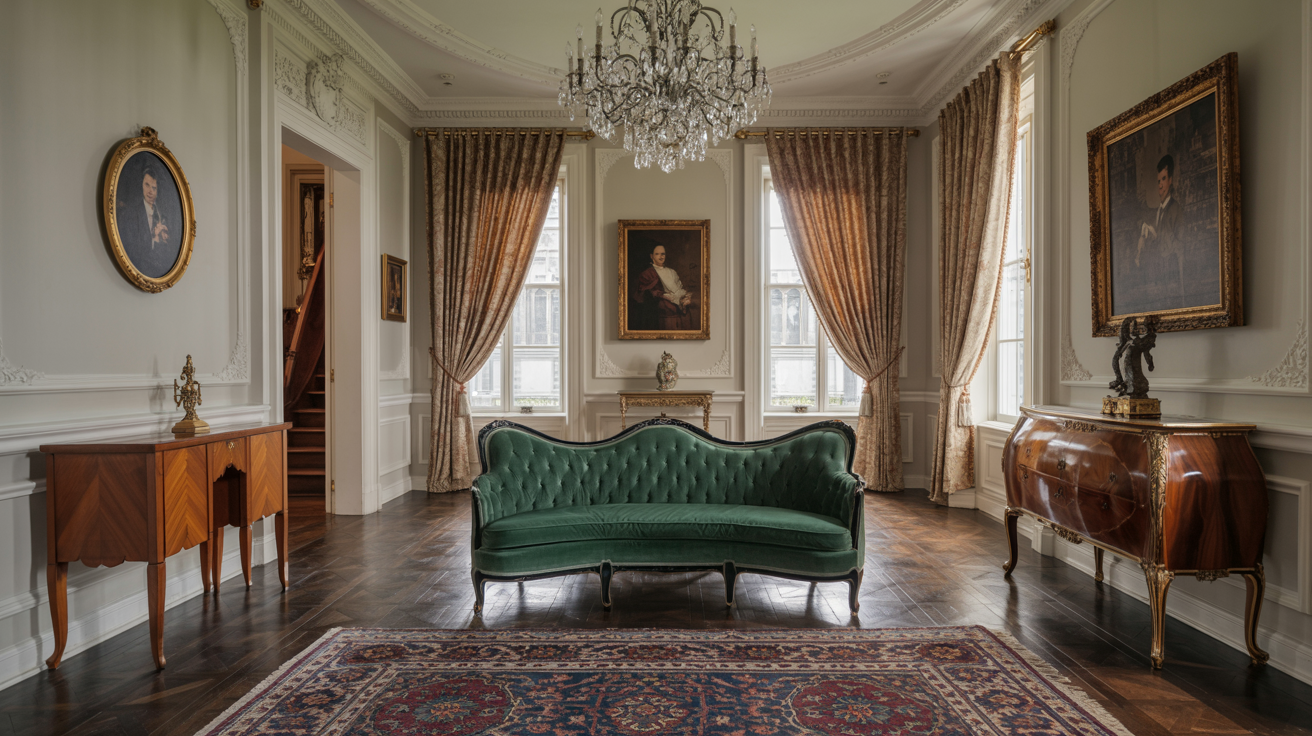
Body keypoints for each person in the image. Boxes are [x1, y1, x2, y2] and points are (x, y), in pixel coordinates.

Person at [1135, 154, 1185, 295]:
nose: (1160, 185)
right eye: (1158, 181)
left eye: (1163, 179)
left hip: (1172, 275)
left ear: (1170, 181)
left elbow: (1180, 245)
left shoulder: (1176, 209)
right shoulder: (1158, 211)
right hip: (1161, 278)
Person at [116, 161, 176, 278]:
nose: (150, 191)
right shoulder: (131, 214)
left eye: (154, 188)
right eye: (147, 185)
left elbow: (168, 255)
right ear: (141, 185)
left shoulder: (163, 218)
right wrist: (154, 239)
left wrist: (163, 240)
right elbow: (131, 252)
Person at [632, 244, 694, 331]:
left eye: (663, 254)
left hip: (678, 312)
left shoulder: (672, 272)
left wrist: (685, 297)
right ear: (651, 256)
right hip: (662, 315)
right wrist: (662, 295)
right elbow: (643, 294)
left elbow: (679, 288)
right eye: (657, 254)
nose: (661, 256)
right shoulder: (647, 273)